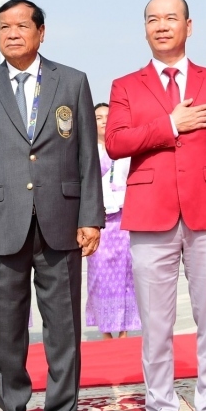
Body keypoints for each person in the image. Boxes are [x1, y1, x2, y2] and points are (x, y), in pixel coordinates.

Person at [0, 0, 103, 411]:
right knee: (5, 331)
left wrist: (90, 216)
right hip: (0, 226)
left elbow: (86, 157)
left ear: (42, 32)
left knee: (63, 327)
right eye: (4, 27)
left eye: (23, 25)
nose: (13, 33)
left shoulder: (72, 82)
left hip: (61, 221)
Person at [105, 0, 206, 411]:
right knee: (156, 322)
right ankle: (161, 409)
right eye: (152, 19)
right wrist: (171, 124)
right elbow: (116, 143)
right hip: (150, 216)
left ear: (190, 26)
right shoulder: (125, 86)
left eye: (171, 18)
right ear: (144, 29)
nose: (161, 25)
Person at [86, 102, 140, 339]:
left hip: (125, 218)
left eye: (108, 116)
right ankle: (105, 329)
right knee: (100, 275)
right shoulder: (85, 152)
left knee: (127, 273)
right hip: (99, 221)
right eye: (98, 117)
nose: (104, 120)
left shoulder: (126, 150)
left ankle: (125, 329)